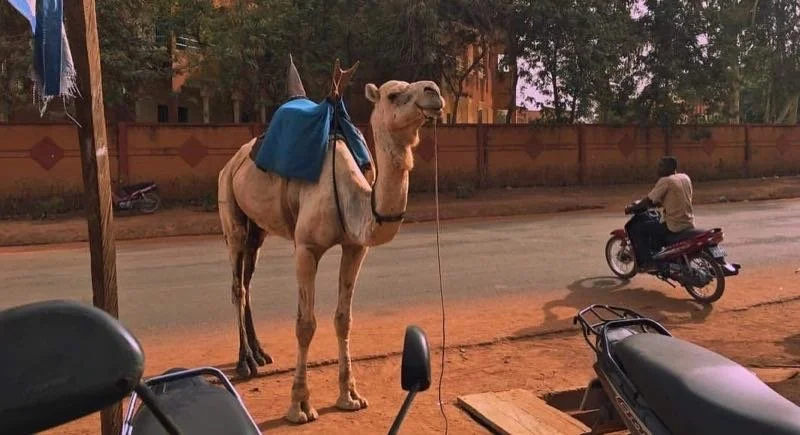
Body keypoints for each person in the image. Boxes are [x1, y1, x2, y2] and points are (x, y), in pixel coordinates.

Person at [624, 156, 695, 271]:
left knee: (636, 228)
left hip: (673, 225)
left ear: (670, 167)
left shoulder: (665, 181)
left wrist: (632, 208)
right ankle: (661, 254)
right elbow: (676, 198)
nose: (658, 169)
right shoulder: (685, 177)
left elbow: (648, 201)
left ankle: (648, 262)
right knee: (654, 225)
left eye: (661, 166)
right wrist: (658, 204)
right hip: (688, 221)